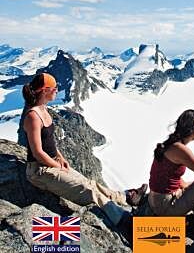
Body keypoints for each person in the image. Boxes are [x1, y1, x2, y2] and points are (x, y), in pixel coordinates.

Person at [20, 72, 147, 228]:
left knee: (90, 183)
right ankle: (124, 220)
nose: (57, 90)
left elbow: (50, 142)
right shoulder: (33, 116)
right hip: (39, 172)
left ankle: (125, 197)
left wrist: (60, 157)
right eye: (54, 88)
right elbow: (38, 152)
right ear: (45, 90)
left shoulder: (43, 109)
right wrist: (56, 166)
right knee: (88, 191)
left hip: (52, 165)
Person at [145, 109, 194, 221]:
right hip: (165, 207)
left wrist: (190, 189)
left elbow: (170, 176)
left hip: (156, 201)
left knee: (191, 183)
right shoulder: (179, 149)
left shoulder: (171, 144)